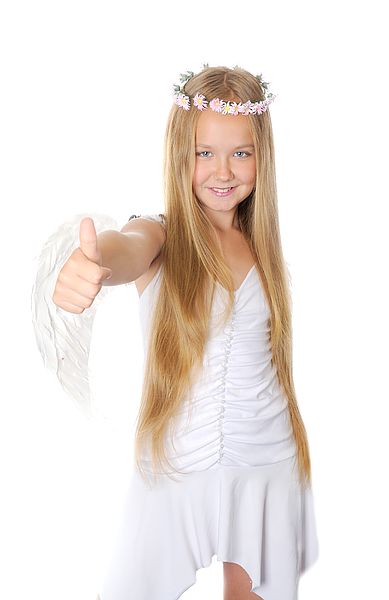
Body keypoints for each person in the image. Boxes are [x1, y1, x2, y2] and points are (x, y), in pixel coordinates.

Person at [48, 65, 319, 600]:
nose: (223, 170)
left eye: (240, 152)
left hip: (266, 456)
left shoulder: (263, 251)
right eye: (204, 153)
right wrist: (96, 261)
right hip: (177, 461)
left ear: (262, 157)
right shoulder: (161, 235)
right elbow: (126, 247)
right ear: (180, 155)